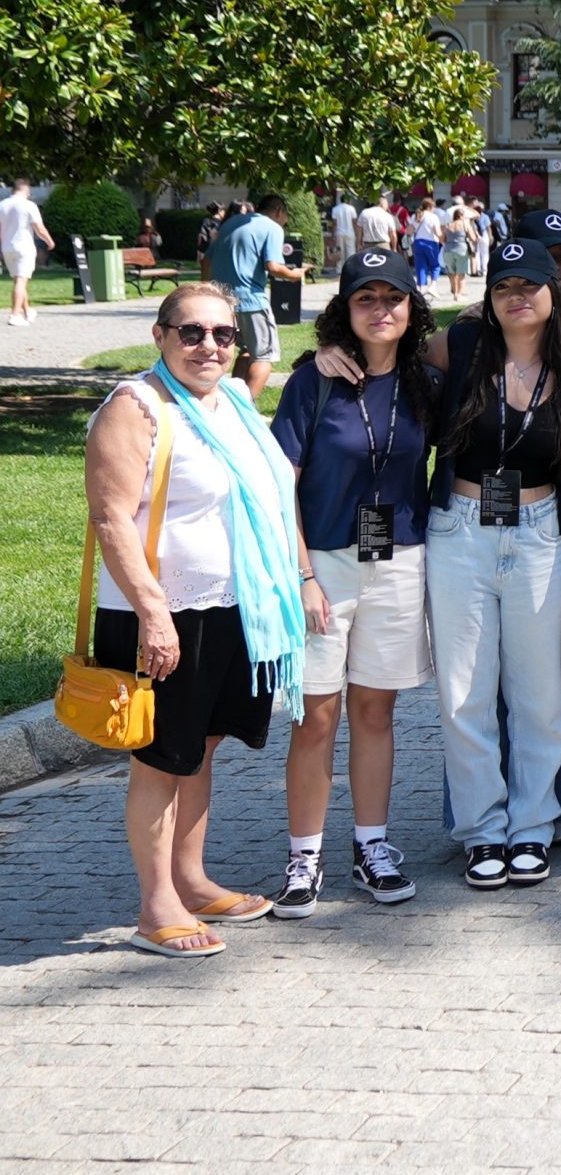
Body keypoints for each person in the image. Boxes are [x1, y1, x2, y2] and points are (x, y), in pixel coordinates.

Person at [87, 285, 315, 955]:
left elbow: (274, 496)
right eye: (190, 333)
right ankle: (156, 907)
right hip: (162, 614)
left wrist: (298, 577)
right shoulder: (136, 408)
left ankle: (189, 878)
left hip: (232, 605)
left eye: (222, 334)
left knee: (202, 746)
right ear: (159, 337)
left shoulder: (235, 403)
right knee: (160, 759)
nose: (208, 346)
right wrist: (154, 614)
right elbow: (110, 521)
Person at [269, 249, 439, 912]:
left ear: (410, 307)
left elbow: (491, 328)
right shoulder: (314, 382)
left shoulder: (428, 378)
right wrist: (302, 573)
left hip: (398, 560)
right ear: (345, 309)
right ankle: (302, 858)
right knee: (316, 716)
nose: (380, 310)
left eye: (392, 298)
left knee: (375, 710)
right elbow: (281, 480)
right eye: (365, 299)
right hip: (325, 564)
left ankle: (372, 847)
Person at [424, 237, 561, 888]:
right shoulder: (461, 347)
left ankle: (532, 825)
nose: (517, 296)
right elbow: (387, 366)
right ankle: (482, 831)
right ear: (488, 299)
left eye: (529, 285)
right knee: (463, 689)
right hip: (459, 531)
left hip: (541, 532)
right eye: (503, 287)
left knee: (538, 693)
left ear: (553, 293)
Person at [213, 193, 304, 398]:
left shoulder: (231, 223)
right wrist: (294, 275)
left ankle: (231, 403)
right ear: (279, 211)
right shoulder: (272, 227)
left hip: (221, 302)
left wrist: (206, 293)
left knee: (246, 351)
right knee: (264, 356)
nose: (285, 222)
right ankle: (247, 408)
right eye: (285, 218)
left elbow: (206, 260)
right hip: (251, 301)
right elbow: (273, 266)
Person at [2, 175, 54, 326]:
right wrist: (49, 241)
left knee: (18, 280)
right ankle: (14, 315)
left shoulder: (2, 205)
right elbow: (39, 228)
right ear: (25, 189)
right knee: (21, 280)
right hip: (24, 246)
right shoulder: (28, 205)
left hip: (7, 247)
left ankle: (27, 311)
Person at [409, 196, 446, 291]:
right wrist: (443, 240)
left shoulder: (415, 215)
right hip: (431, 243)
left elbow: (409, 231)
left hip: (417, 243)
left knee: (420, 266)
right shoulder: (433, 217)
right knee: (435, 266)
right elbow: (437, 233)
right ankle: (433, 285)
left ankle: (422, 288)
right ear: (430, 207)